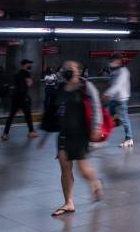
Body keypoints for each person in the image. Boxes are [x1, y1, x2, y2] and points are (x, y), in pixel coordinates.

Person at [41, 61, 104, 217]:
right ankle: (69, 202)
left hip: (80, 134)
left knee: (82, 169)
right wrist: (45, 135)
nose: (66, 71)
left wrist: (97, 126)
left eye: (70, 69)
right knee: (65, 168)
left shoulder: (85, 87)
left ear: (78, 71)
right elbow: (53, 112)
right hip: (63, 134)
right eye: (65, 69)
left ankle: (95, 182)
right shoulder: (60, 88)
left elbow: (96, 106)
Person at [3, 59, 37, 140]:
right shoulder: (26, 73)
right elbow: (29, 84)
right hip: (23, 97)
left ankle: (5, 133)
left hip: (16, 97)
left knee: (11, 116)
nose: (30, 65)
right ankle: (31, 132)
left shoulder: (17, 73)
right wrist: (30, 80)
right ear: (24, 65)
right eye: (29, 64)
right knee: (28, 115)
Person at [104, 53, 133, 148]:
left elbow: (117, 85)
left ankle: (129, 139)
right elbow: (111, 83)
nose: (111, 62)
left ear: (118, 60)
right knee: (108, 117)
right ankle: (103, 135)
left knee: (124, 119)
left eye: (112, 60)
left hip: (121, 99)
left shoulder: (123, 71)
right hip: (113, 99)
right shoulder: (114, 71)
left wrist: (107, 94)